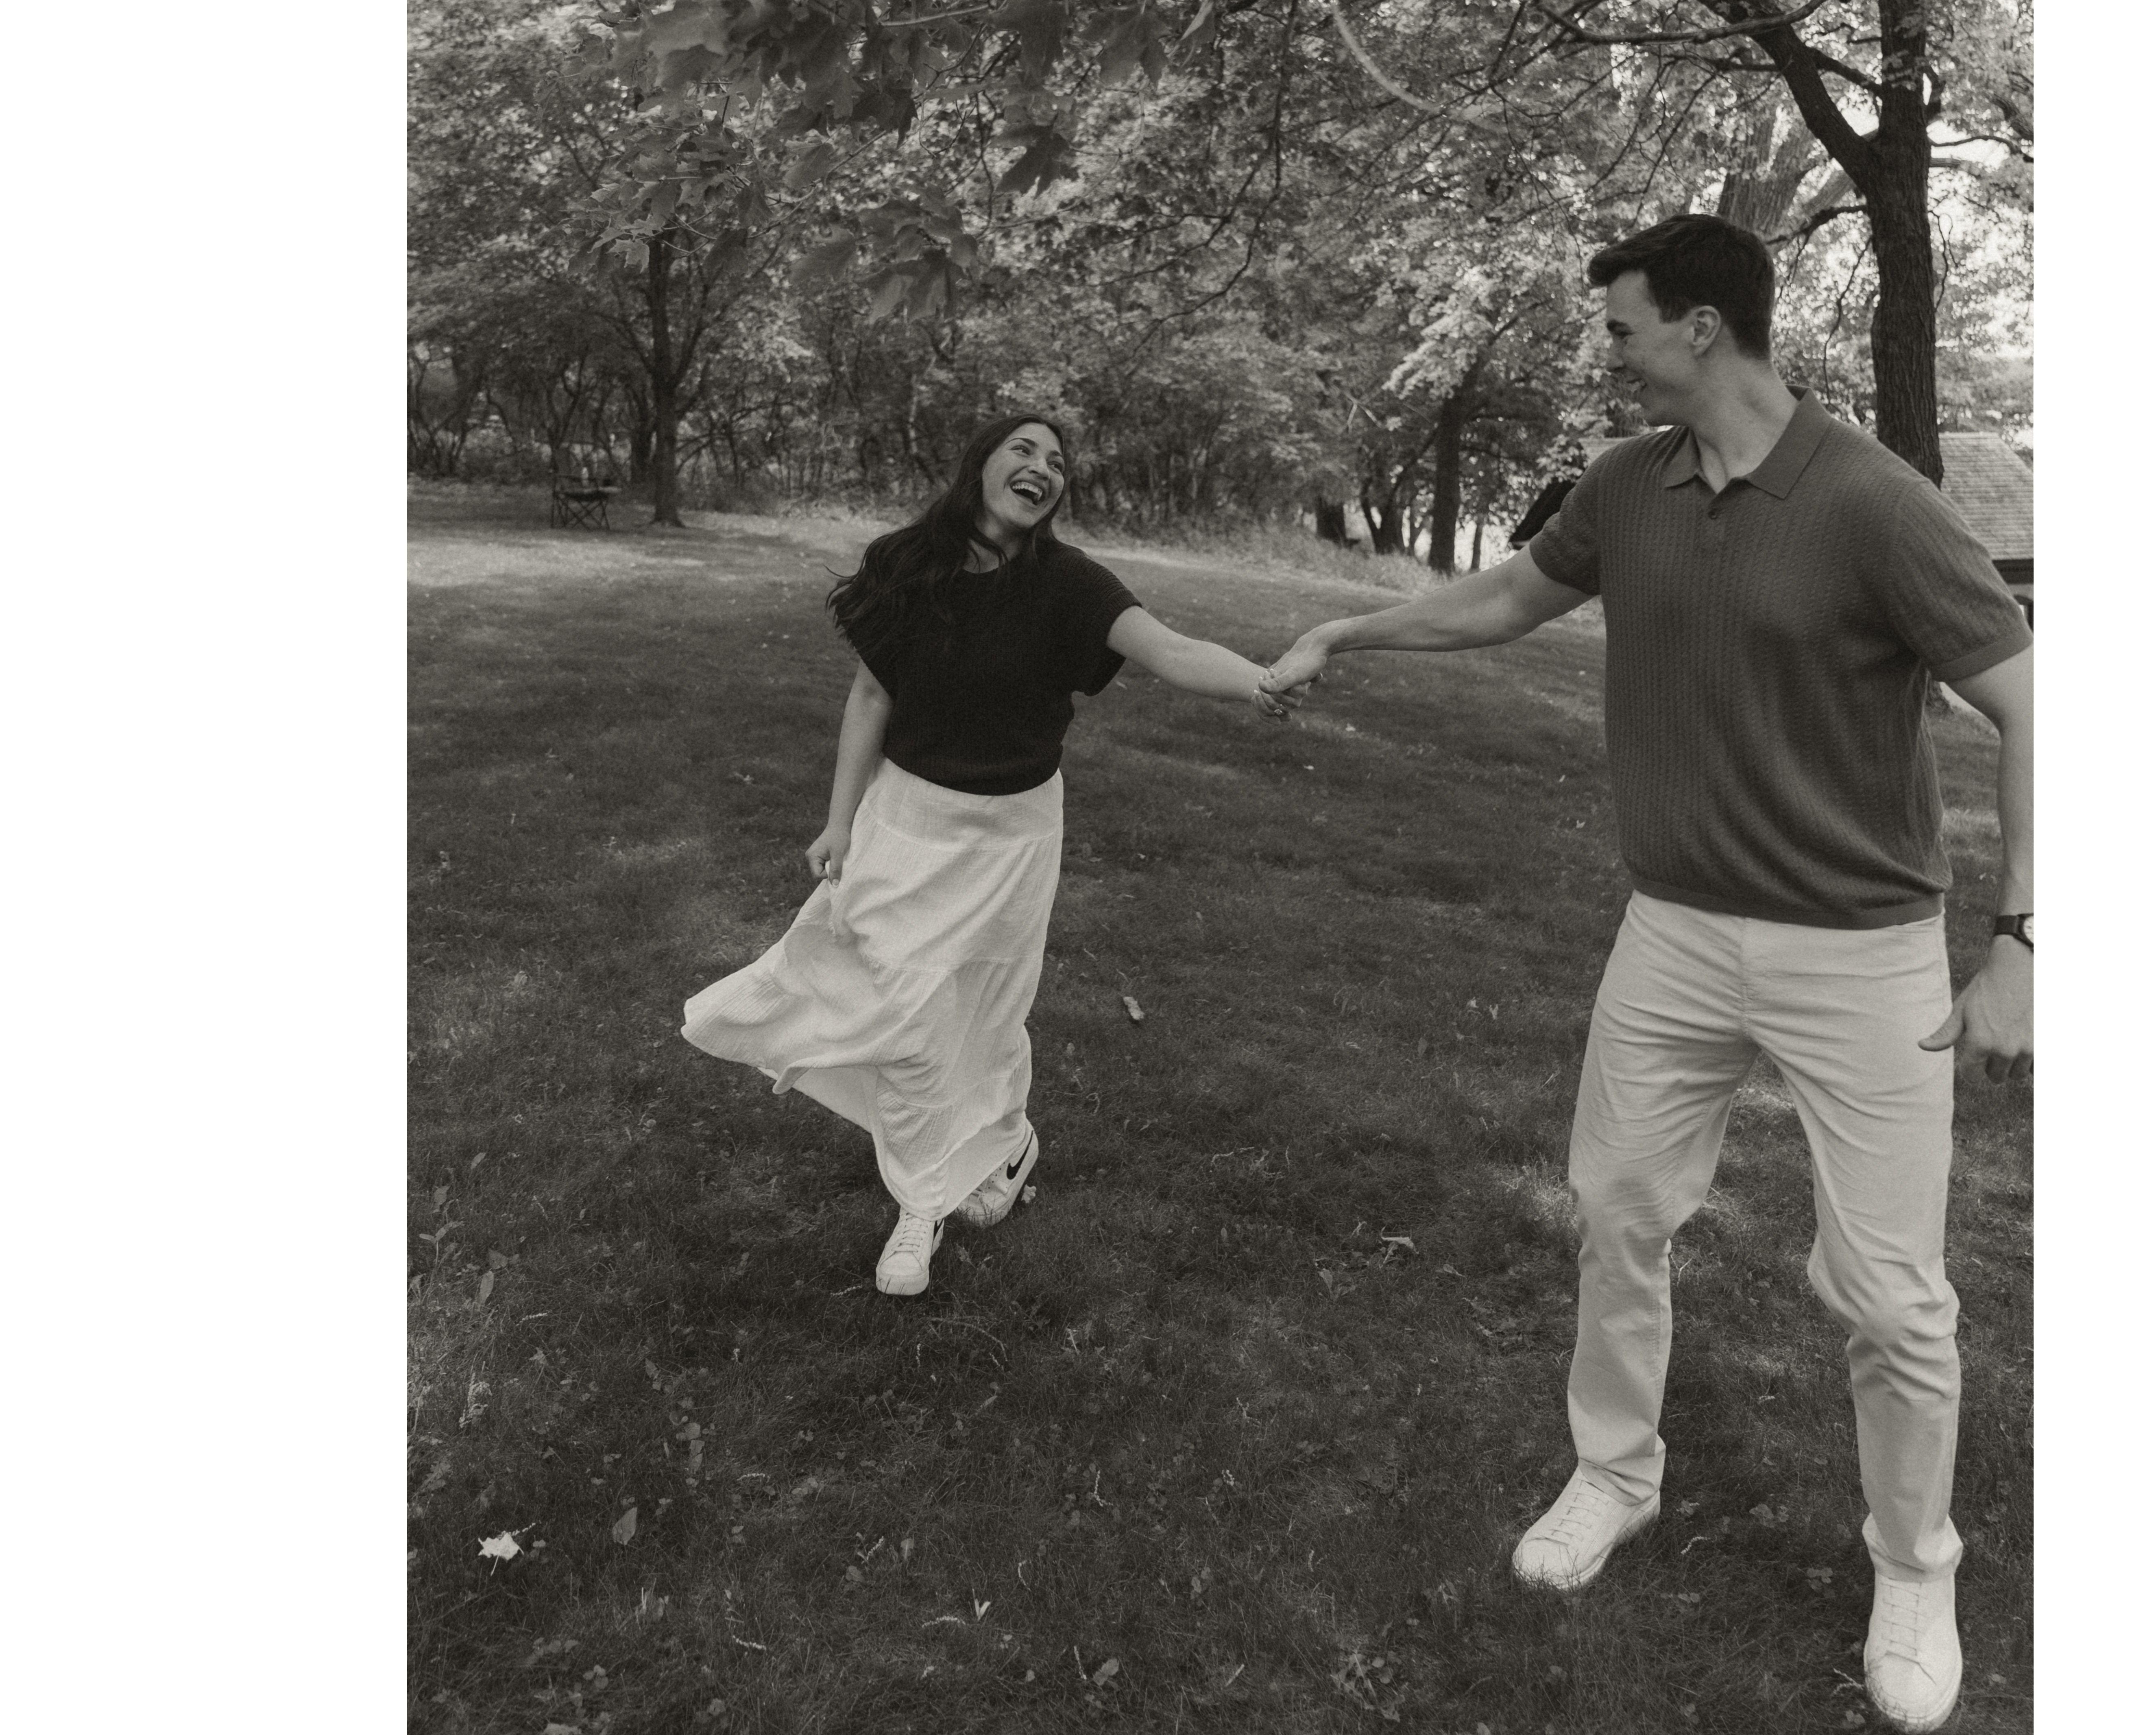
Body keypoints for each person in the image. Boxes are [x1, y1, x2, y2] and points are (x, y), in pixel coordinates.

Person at [1258, 216, 2031, 1735]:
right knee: (1616, 1210)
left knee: (1890, 1295)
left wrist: (2023, 943)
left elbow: (2037, 704)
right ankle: (1615, 1475)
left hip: (1862, 954)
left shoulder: (1876, 503)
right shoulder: (1627, 483)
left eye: (1621, 327)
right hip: (1672, 933)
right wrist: (1349, 628)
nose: (1606, 351)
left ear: (1702, 327)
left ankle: (1913, 1565)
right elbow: (1505, 600)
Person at [683, 413, 1301, 1298]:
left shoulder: (1069, 584)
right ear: (981, 463)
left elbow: (1168, 648)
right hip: (909, 819)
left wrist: (1261, 682)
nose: (1043, 467)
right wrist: (839, 822)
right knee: (904, 1013)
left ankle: (983, 1159)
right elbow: (871, 696)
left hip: (1012, 838)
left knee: (986, 1014)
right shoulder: (906, 564)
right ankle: (929, 1193)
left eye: (1058, 462)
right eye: (1024, 449)